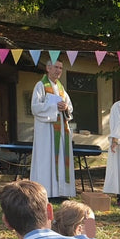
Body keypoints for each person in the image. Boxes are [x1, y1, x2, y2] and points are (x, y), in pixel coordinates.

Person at [30, 59, 76, 200]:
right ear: (48, 68)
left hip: (61, 130)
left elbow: (70, 108)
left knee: (62, 158)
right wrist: (54, 107)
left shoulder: (62, 89)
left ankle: (61, 192)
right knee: (46, 160)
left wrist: (66, 108)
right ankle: (47, 193)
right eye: (56, 67)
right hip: (46, 131)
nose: (58, 70)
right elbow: (35, 107)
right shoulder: (40, 86)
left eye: (61, 68)